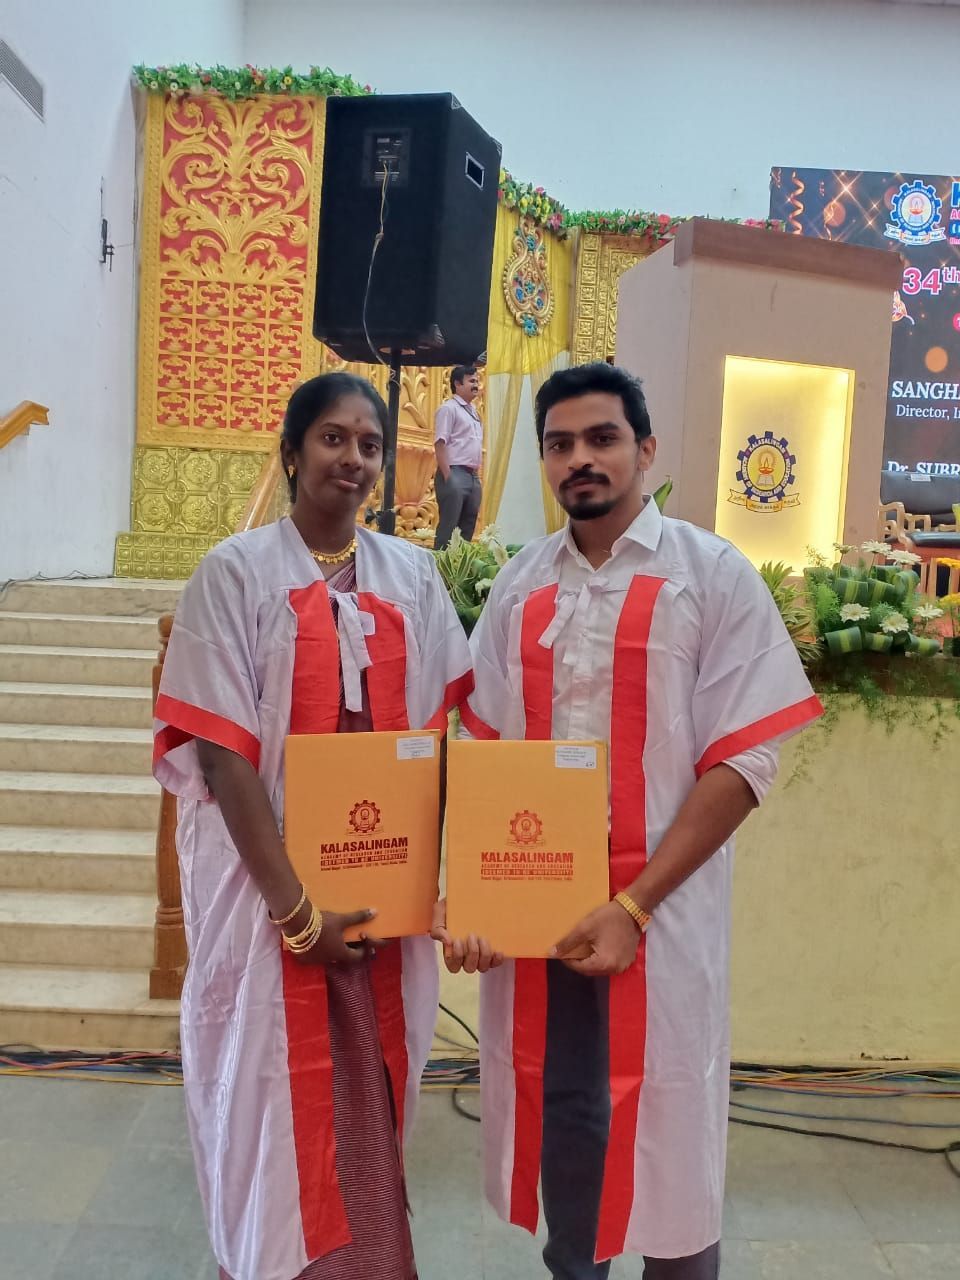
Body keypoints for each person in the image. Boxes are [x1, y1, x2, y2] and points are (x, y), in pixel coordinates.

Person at [438, 362, 823, 1279]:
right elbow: (484, 752)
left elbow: (743, 761)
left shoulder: (711, 576)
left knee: (670, 1132)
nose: (581, 458)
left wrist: (635, 905)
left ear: (645, 450)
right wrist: (474, 898)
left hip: (663, 919)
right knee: (568, 1122)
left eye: (602, 438)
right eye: (560, 444)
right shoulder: (520, 585)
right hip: (543, 927)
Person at [153, 372, 472, 1280]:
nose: (354, 458)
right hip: (265, 901)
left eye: (370, 445)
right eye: (333, 438)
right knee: (266, 1102)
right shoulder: (234, 574)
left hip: (376, 898)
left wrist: (437, 883)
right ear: (291, 453)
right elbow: (224, 758)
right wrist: (296, 915)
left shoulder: (412, 577)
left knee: (368, 1097)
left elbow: (439, 741)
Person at [433, 364, 483, 548]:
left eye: (477, 381)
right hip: (454, 473)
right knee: (449, 530)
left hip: (473, 476)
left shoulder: (474, 412)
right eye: (471, 381)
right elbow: (440, 443)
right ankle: (439, 566)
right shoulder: (449, 409)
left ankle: (459, 567)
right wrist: (448, 477)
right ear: (457, 384)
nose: (476, 385)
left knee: (466, 531)